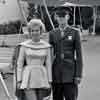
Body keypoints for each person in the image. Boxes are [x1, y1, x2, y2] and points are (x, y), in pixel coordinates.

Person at [13, 19, 52, 100]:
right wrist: (19, 80)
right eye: (32, 31)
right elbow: (19, 64)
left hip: (42, 77)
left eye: (37, 30)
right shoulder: (24, 46)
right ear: (29, 32)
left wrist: (50, 80)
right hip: (28, 77)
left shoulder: (47, 46)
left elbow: (48, 64)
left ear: (41, 31)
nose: (35, 33)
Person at [49, 7, 83, 100]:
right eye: (59, 16)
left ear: (68, 17)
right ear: (56, 17)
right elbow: (49, 55)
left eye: (63, 16)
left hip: (70, 74)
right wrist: (49, 74)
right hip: (56, 74)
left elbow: (79, 56)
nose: (61, 18)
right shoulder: (52, 33)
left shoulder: (75, 32)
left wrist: (78, 75)